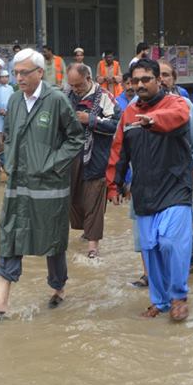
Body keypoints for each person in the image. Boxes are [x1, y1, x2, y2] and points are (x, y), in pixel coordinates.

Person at [0, 49, 83, 323]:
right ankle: (0, 303)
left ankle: (58, 287)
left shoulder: (56, 100)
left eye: (24, 72)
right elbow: (8, 135)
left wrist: (51, 163)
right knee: (10, 234)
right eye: (16, 72)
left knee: (53, 240)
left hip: (49, 186)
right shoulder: (14, 100)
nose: (18, 77)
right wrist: (8, 159)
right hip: (18, 183)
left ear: (39, 73)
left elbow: (75, 139)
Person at [107, 59, 193, 322]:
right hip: (144, 192)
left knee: (170, 242)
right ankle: (160, 302)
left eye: (146, 79)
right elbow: (118, 151)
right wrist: (114, 184)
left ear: (159, 80)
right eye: (136, 81)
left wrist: (152, 120)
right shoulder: (129, 114)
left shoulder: (177, 104)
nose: (141, 85)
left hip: (176, 188)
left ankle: (179, 296)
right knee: (150, 248)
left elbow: (178, 119)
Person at [66, 63, 120, 259]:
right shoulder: (67, 96)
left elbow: (116, 124)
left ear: (89, 79)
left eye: (78, 85)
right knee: (73, 199)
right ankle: (85, 231)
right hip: (72, 158)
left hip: (96, 156)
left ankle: (92, 246)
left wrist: (91, 120)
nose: (75, 89)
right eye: (72, 85)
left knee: (94, 199)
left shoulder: (104, 97)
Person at [160, 60, 193, 273]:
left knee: (184, 219)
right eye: (157, 75)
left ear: (174, 79)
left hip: (180, 174)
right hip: (150, 177)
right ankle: (150, 270)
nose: (161, 80)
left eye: (166, 75)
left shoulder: (183, 105)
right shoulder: (137, 106)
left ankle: (191, 257)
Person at [0, 69, 13, 146]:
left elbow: (12, 99)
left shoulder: (10, 88)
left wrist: (9, 110)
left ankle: (8, 142)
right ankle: (0, 143)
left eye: (6, 77)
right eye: (2, 77)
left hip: (8, 111)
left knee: (8, 126)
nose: (4, 79)